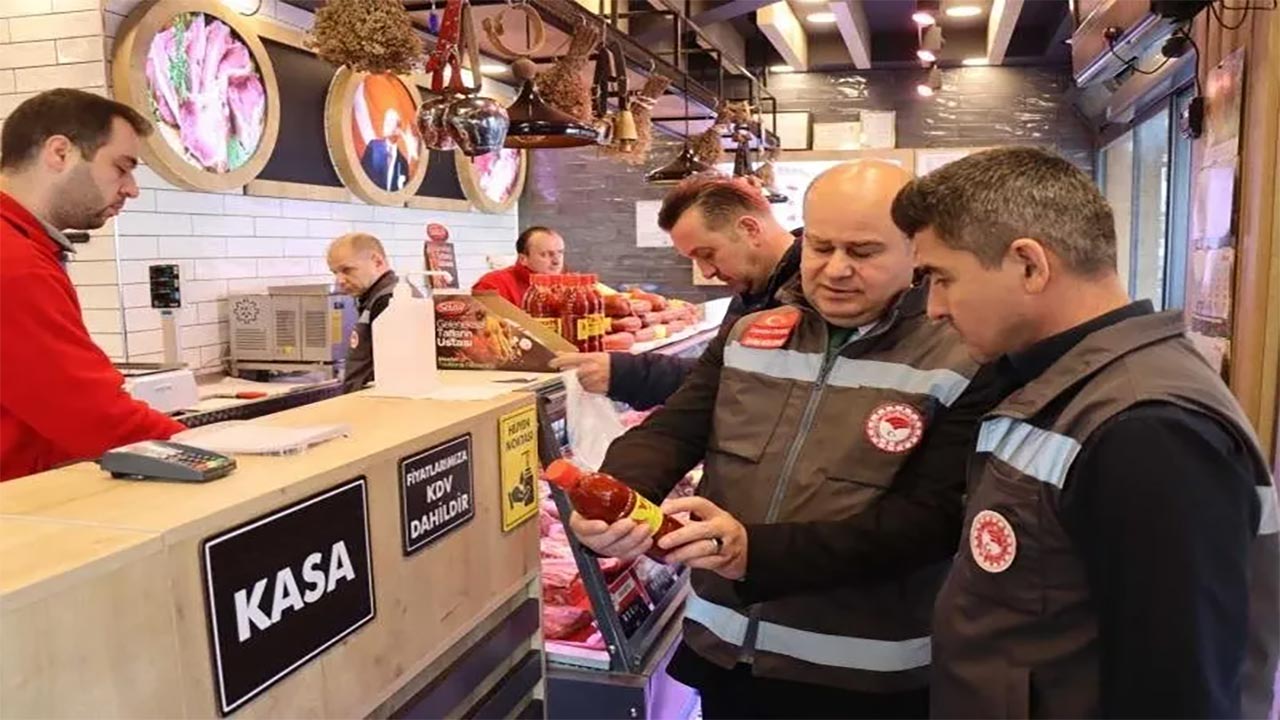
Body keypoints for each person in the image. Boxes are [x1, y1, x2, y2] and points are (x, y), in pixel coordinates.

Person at [569, 161, 983, 719]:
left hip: (862, 677)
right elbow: (674, 428)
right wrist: (615, 494)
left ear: (916, 252)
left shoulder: (962, 354)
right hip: (725, 654)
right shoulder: (751, 333)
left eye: (862, 252)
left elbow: (930, 522)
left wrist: (754, 553)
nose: (835, 269)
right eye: (821, 246)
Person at [890, 146, 1279, 718]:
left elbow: (1180, 688)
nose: (934, 309)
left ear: (1029, 265)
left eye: (942, 279)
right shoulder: (1053, 384)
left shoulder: (1146, 427)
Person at [0, 89, 186, 482]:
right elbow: (90, 416)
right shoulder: (12, 260)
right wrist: (214, 454)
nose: (132, 188)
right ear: (60, 153)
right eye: (121, 168)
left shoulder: (25, 246)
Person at [550, 174, 800, 410]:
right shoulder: (751, 292)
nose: (707, 272)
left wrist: (626, 373)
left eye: (707, 254)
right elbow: (714, 378)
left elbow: (753, 389)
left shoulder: (817, 296)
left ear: (750, 229)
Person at [327, 232, 397, 393]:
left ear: (377, 262)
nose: (340, 281)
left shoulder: (389, 301)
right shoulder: (373, 299)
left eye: (347, 270)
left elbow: (394, 368)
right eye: (335, 273)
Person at [471, 226, 565, 306]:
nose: (556, 261)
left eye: (560, 253)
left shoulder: (570, 288)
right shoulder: (492, 285)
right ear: (523, 259)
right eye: (546, 254)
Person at [360, 108, 410, 192]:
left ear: (398, 129)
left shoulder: (403, 163)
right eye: (385, 120)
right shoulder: (373, 147)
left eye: (390, 122)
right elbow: (362, 174)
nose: (385, 124)